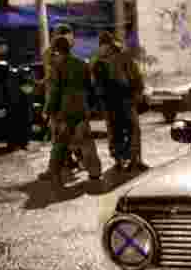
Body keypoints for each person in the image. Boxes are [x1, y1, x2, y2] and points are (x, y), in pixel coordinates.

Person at [40, 35, 102, 188]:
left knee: (60, 142)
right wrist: (92, 106)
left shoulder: (57, 65)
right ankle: (94, 171)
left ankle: (54, 171)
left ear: (56, 49)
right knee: (86, 141)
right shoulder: (82, 63)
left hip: (65, 110)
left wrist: (48, 110)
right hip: (81, 108)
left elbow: (55, 91)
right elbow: (90, 87)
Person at [93, 31, 148, 171]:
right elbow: (136, 75)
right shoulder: (118, 56)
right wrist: (138, 91)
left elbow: (135, 75)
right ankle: (128, 159)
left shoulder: (101, 58)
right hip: (119, 99)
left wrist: (138, 91)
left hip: (116, 100)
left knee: (122, 130)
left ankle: (125, 159)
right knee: (127, 129)